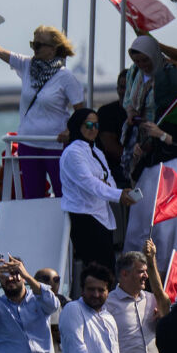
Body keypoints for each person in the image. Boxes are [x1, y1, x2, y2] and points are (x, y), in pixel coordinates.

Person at [0, 18, 85, 200]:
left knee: (63, 195)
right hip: (28, 143)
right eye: (32, 44)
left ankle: (68, 228)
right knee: (32, 197)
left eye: (39, 45)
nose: (34, 49)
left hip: (55, 146)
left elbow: (82, 113)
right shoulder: (27, 66)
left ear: (53, 48)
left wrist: (70, 130)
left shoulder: (65, 77)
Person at [56, 107, 136, 278]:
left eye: (96, 125)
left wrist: (117, 192)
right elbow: (89, 183)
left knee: (107, 268)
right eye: (89, 124)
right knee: (96, 269)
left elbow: (109, 178)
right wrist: (118, 195)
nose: (93, 129)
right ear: (78, 125)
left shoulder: (96, 151)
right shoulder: (73, 153)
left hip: (101, 216)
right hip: (85, 217)